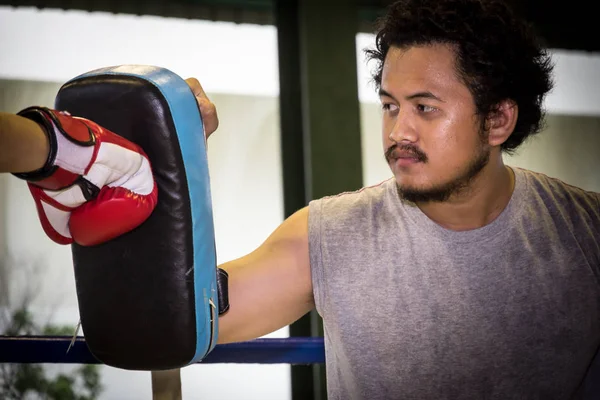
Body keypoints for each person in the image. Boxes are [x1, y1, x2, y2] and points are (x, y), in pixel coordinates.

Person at [2, 0, 599, 398]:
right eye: (390, 105)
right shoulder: (332, 234)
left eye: (425, 108)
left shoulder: (587, 233)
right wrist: (171, 156)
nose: (397, 133)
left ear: (498, 121)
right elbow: (177, 318)